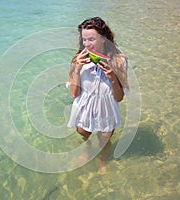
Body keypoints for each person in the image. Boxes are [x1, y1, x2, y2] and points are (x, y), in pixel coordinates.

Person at [67, 17, 129, 174]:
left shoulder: (119, 60)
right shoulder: (78, 59)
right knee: (82, 132)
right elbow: (74, 93)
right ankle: (87, 149)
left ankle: (102, 160)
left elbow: (119, 98)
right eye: (84, 40)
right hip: (84, 106)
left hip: (106, 106)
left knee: (104, 138)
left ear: (103, 38)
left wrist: (112, 77)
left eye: (92, 39)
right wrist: (76, 68)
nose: (87, 44)